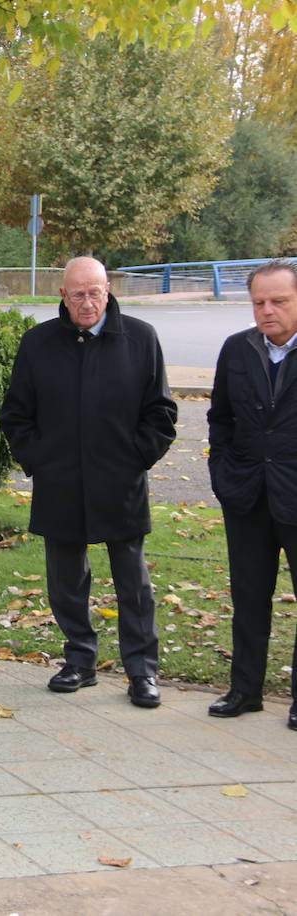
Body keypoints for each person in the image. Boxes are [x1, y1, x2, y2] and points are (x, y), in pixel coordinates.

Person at [0, 256, 177, 708]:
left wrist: (137, 457)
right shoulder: (38, 343)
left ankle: (141, 670)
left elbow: (161, 413)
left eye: (95, 292)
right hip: (60, 482)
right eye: (77, 294)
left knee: (132, 582)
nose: (87, 302)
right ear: (62, 294)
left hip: (120, 482)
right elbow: (17, 415)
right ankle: (80, 659)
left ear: (108, 289)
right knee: (65, 580)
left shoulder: (139, 338)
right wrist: (40, 459)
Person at [206, 257, 297, 730]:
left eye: (279, 301)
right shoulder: (237, 349)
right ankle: (245, 690)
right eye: (259, 302)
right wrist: (222, 473)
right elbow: (219, 417)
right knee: (248, 597)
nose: (267, 311)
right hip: (246, 495)